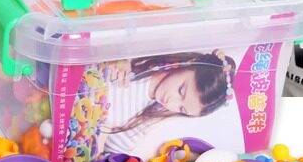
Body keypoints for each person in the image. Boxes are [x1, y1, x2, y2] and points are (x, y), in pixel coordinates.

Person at [101, 51, 236, 152]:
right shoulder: (135, 61)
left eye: (181, 109)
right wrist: (117, 56)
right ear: (189, 63)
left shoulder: (150, 115)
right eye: (181, 91)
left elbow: (113, 151)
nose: (171, 103)